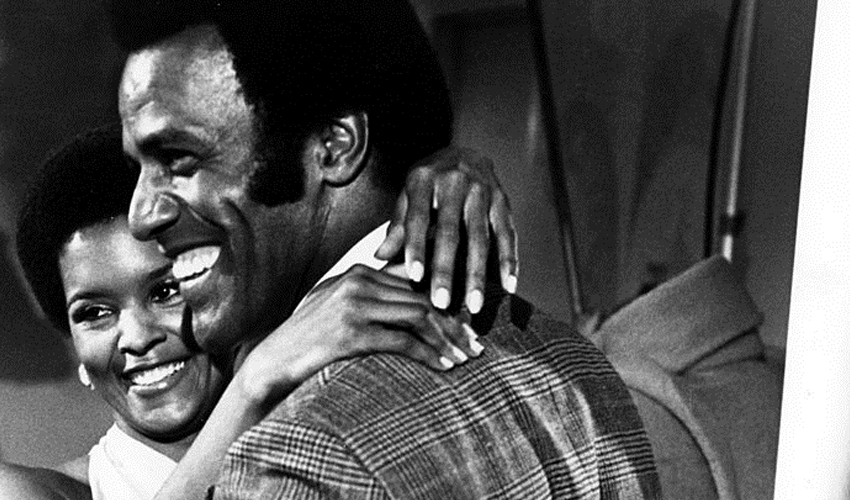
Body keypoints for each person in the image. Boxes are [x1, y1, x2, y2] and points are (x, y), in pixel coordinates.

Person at [112, 0, 662, 497]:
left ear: (335, 148)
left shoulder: (298, 456)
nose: (141, 216)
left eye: (179, 159)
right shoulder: (574, 361)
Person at [0, 123, 513, 499]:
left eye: (165, 291)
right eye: (94, 314)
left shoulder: (319, 436)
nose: (135, 336)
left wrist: (441, 176)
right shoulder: (21, 491)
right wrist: (253, 384)